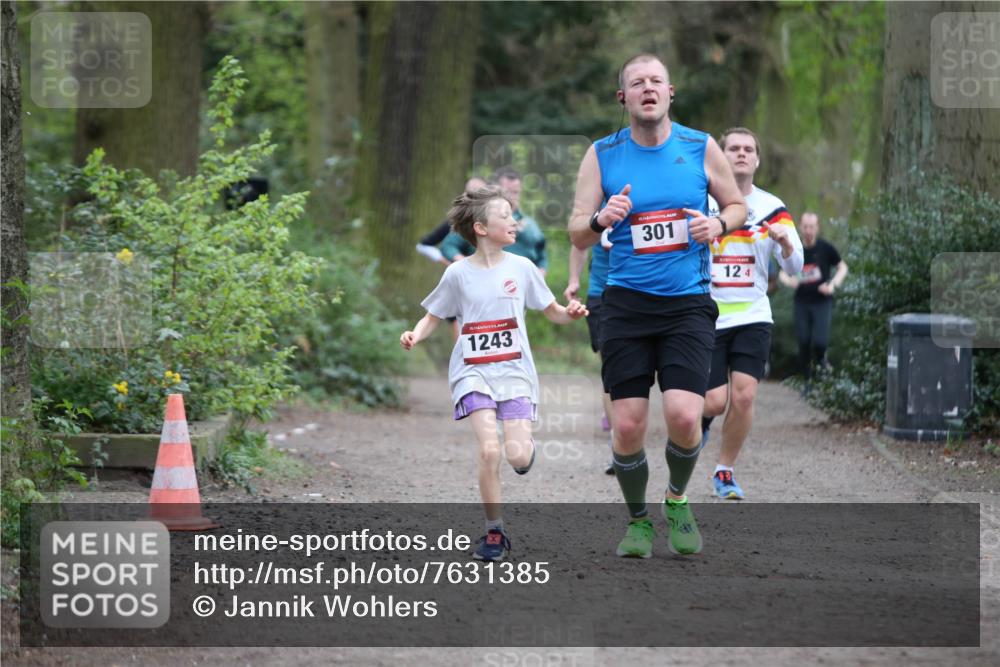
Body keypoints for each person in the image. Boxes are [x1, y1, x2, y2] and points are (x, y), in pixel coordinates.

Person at [568, 53, 746, 558]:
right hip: (625, 304)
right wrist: (602, 219)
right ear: (622, 97)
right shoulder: (603, 155)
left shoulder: (699, 146)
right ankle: (639, 522)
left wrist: (719, 225)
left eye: (657, 81)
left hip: (687, 303)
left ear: (671, 93)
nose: (648, 88)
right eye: (637, 83)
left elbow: (736, 204)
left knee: (686, 416)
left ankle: (677, 499)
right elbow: (576, 230)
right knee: (627, 425)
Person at [401, 186, 587, 561]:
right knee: (489, 450)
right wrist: (415, 334)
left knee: (516, 455)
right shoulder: (457, 273)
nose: (515, 221)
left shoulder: (522, 268)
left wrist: (568, 314)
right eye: (506, 215)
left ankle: (524, 452)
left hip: (515, 372)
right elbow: (435, 314)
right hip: (472, 372)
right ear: (483, 228)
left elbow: (549, 309)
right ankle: (494, 533)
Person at [702, 127, 803, 500]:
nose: (741, 154)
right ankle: (702, 420)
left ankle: (724, 471)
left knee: (743, 397)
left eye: (748, 149)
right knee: (713, 400)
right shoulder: (702, 202)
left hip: (753, 315)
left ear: (757, 160)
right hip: (707, 315)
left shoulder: (772, 207)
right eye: (734, 148)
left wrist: (785, 244)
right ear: (721, 156)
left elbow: (795, 269)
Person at [778, 212, 848, 393]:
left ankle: (822, 364)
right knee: (803, 341)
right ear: (800, 228)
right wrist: (789, 281)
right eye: (805, 227)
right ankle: (808, 382)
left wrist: (832, 285)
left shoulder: (825, 248)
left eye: (812, 227)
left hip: (821, 302)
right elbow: (782, 272)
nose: (808, 231)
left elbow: (843, 267)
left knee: (820, 342)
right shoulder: (795, 248)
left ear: (817, 228)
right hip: (802, 302)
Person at [565, 231, 616, 474]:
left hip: (648, 294)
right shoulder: (598, 201)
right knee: (612, 367)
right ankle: (619, 444)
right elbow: (580, 241)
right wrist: (574, 279)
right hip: (602, 295)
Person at [440, 168, 549, 274]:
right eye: (506, 191)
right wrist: (470, 269)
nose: (511, 196)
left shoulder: (531, 225)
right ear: (494, 189)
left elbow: (542, 256)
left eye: (515, 192)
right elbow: (448, 246)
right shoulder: (480, 219)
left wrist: (539, 275)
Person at [415, 177, 487, 265]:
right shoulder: (456, 221)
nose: (472, 196)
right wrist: (449, 262)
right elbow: (423, 246)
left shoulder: (492, 220)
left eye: (478, 192)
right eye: (469, 191)